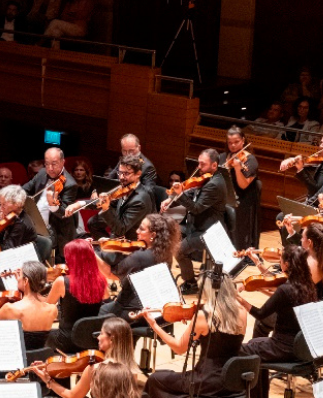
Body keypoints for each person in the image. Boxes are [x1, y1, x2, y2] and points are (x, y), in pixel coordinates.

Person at [143, 271, 247, 398]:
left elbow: (179, 348)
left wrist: (155, 326)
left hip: (205, 381)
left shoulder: (203, 316)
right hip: (233, 380)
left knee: (155, 379)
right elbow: (222, 333)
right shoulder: (242, 311)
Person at [237, 245, 317, 398]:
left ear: (286, 264)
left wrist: (239, 299)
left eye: (281, 259)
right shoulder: (308, 286)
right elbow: (276, 289)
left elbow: (260, 314)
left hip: (282, 347)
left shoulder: (285, 290)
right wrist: (258, 263)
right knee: (255, 345)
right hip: (302, 348)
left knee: (246, 350)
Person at [161, 149, 227, 295]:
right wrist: (170, 199)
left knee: (178, 250)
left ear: (214, 165)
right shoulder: (205, 178)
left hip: (208, 232)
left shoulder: (214, 185)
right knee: (168, 232)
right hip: (196, 226)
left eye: (202, 164)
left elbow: (196, 208)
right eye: (198, 163)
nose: (198, 167)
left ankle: (191, 284)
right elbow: (190, 192)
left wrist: (178, 196)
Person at [31, 317, 139, 398]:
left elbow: (72, 397)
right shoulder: (133, 371)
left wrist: (49, 381)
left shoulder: (95, 369)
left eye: (101, 333)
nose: (98, 337)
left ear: (111, 339)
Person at [96, 214, 181, 320]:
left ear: (153, 235)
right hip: (156, 307)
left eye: (142, 229)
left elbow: (110, 274)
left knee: (98, 313)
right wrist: (110, 243)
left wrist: (91, 252)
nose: (137, 231)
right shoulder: (165, 252)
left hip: (133, 311)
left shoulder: (140, 257)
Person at [70, 155, 155, 254]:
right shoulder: (125, 188)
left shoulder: (140, 200)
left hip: (132, 247)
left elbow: (120, 229)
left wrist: (106, 209)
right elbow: (107, 201)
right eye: (120, 173)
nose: (121, 177)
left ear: (138, 174)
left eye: (126, 173)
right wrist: (81, 204)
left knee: (87, 256)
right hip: (120, 238)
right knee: (91, 228)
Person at [45, 239, 106, 352]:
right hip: (91, 340)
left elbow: (45, 308)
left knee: (42, 334)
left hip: (67, 341)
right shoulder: (101, 280)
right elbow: (106, 301)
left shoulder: (61, 281)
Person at [22, 148, 77, 263]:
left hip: (56, 231)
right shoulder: (42, 173)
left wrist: (53, 204)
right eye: (47, 164)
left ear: (63, 162)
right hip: (36, 224)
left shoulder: (70, 184)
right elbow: (25, 189)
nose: (50, 168)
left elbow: (65, 213)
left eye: (54, 164)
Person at [219, 126, 261, 249]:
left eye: (236, 142)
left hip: (241, 201)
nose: (233, 146)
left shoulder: (250, 160)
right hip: (224, 198)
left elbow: (243, 185)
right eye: (230, 143)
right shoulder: (222, 157)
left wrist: (237, 168)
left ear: (243, 140)